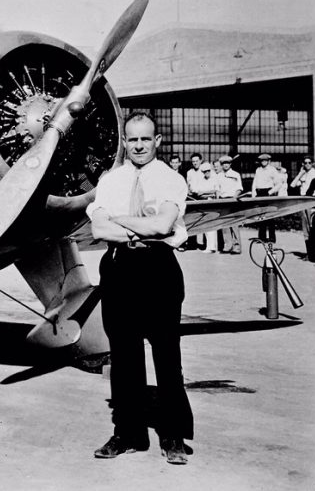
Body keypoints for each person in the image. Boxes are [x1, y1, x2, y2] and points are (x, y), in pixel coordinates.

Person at [87, 111, 193, 465]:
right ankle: (128, 433)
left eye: (145, 139)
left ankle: (173, 435)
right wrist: (141, 227)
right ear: (125, 141)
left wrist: (119, 220)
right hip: (119, 269)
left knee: (166, 354)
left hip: (158, 269)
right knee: (125, 355)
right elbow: (99, 231)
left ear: (157, 141)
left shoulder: (171, 179)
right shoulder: (110, 181)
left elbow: (164, 225)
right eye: (132, 139)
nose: (138, 145)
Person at [290, 156, 315, 251]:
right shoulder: (302, 174)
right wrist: (300, 174)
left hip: (312, 201)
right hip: (303, 201)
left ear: (312, 164)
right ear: (303, 164)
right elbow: (292, 185)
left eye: (309, 162)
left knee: (314, 227)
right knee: (305, 228)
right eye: (305, 163)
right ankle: (309, 252)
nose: (307, 164)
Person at [216, 155, 243, 254]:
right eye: (223, 164)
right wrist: (218, 199)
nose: (225, 165)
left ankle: (237, 247)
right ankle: (227, 246)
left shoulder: (235, 174)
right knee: (224, 225)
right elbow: (217, 189)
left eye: (227, 163)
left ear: (230, 164)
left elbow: (239, 188)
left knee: (234, 224)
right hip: (223, 201)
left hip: (232, 200)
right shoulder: (219, 176)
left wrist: (233, 198)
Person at [188, 161, 218, 252]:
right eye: (204, 171)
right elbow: (196, 190)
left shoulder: (214, 178)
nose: (207, 173)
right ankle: (209, 247)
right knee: (206, 225)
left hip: (211, 202)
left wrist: (204, 192)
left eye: (208, 171)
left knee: (212, 225)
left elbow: (215, 190)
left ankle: (212, 247)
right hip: (203, 202)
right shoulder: (201, 180)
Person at [252, 153, 281, 242]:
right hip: (259, 193)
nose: (263, 162)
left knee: (270, 216)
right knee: (261, 216)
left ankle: (272, 237)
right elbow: (255, 182)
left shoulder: (272, 170)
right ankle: (262, 237)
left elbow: (279, 183)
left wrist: (270, 192)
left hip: (268, 193)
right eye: (262, 160)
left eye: (265, 160)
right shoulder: (258, 170)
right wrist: (254, 194)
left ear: (269, 161)